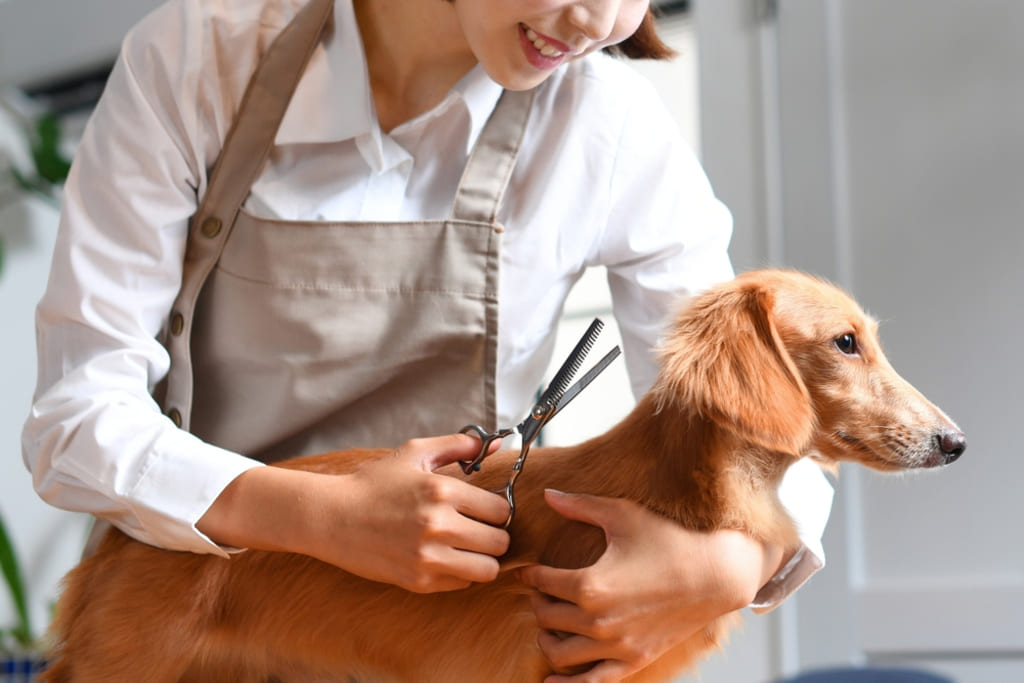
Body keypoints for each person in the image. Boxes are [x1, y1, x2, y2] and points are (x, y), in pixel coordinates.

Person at [22, 0, 834, 680]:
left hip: (442, 651)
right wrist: (321, 517)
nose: (599, 19)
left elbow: (751, 409)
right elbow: (77, 422)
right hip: (188, 622)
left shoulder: (607, 122)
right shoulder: (201, 57)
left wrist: (731, 567)